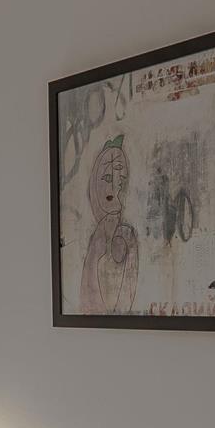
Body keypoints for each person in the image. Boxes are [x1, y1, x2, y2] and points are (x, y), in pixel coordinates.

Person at [77, 134, 140, 315]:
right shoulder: (96, 239)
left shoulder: (127, 236)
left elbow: (126, 299)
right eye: (106, 178)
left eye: (120, 180)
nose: (114, 188)